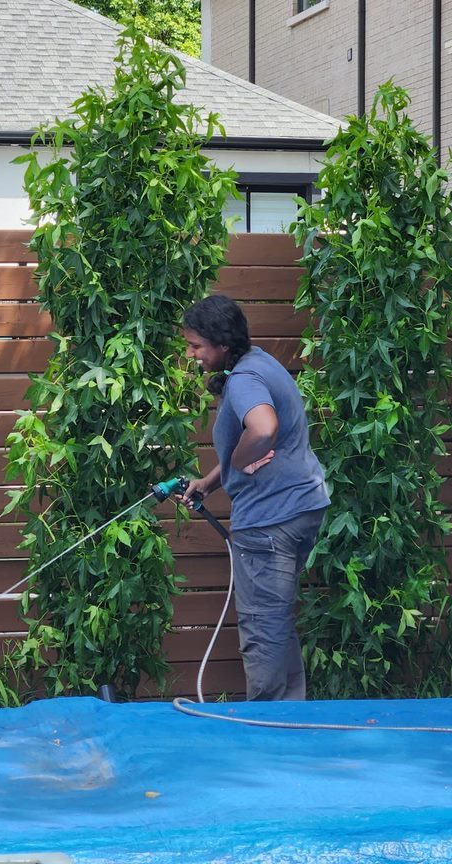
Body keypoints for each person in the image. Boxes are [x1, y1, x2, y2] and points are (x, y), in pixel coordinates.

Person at [179, 294, 329, 701]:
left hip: (269, 521)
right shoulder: (260, 363)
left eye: (196, 346)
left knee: (262, 626)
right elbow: (261, 442)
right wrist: (213, 480)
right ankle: (291, 716)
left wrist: (242, 462)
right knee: (276, 620)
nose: (192, 355)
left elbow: (262, 429)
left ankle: (266, 728)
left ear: (222, 343)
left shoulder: (244, 380)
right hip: (301, 508)